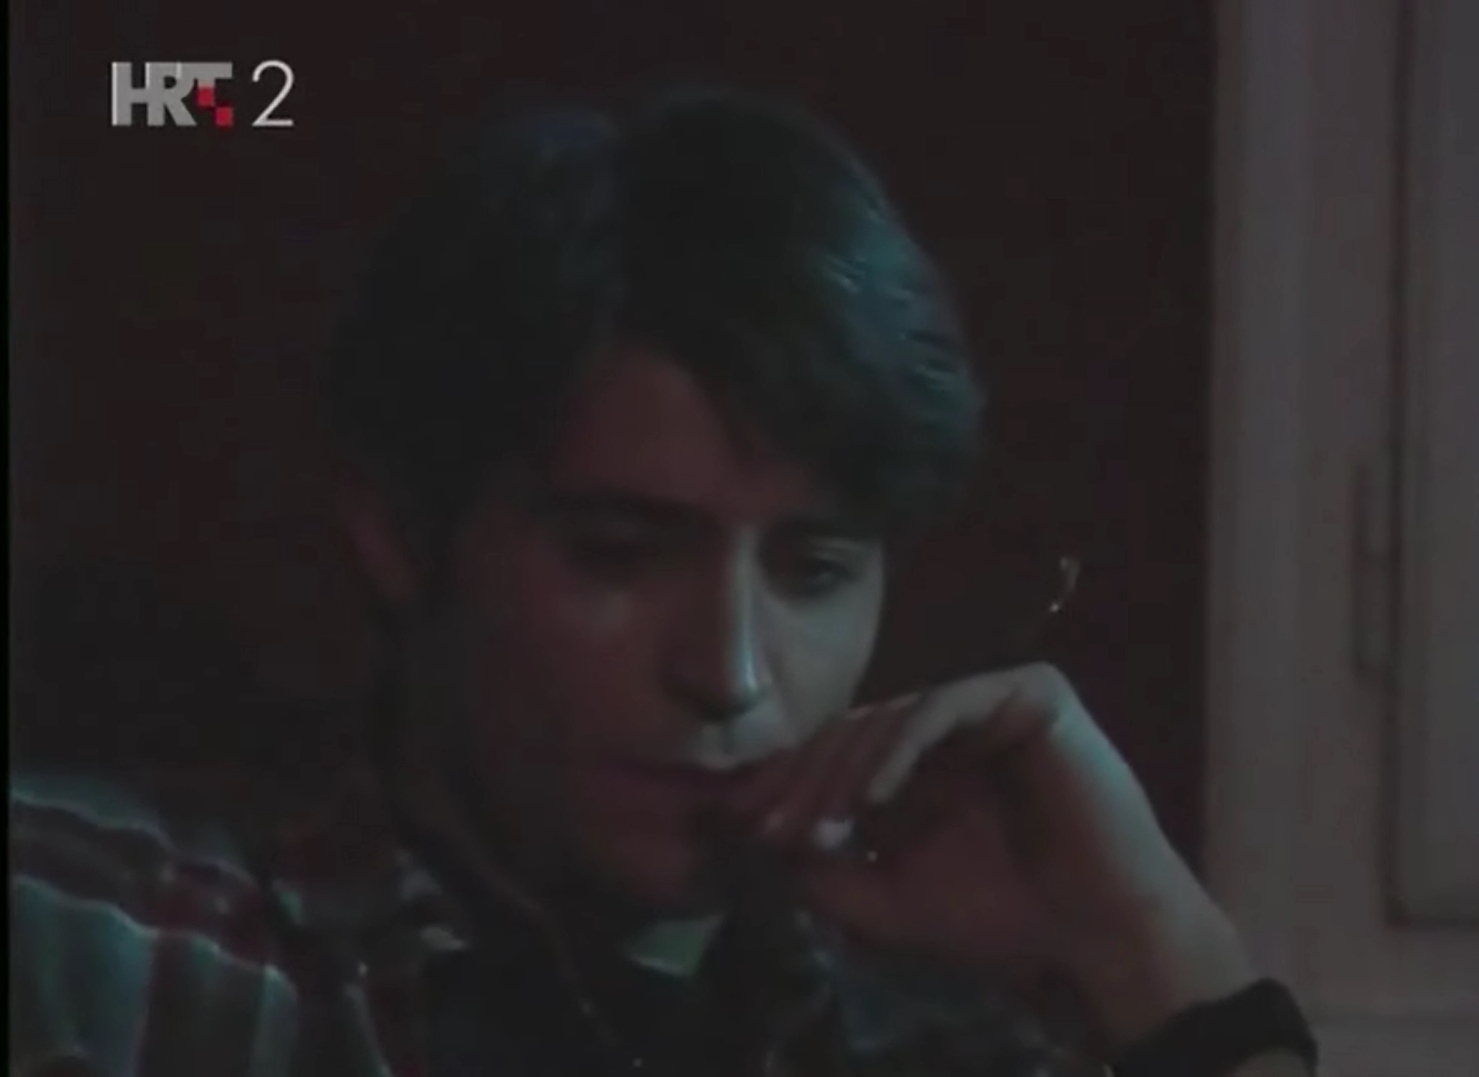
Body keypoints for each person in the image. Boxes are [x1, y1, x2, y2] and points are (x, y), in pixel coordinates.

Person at [9, 87, 1318, 1077]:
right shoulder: (89, 942)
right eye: (619, 554)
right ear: (401, 532)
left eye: (813, 569)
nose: (730, 672)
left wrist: (1159, 950)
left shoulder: (933, 1036)